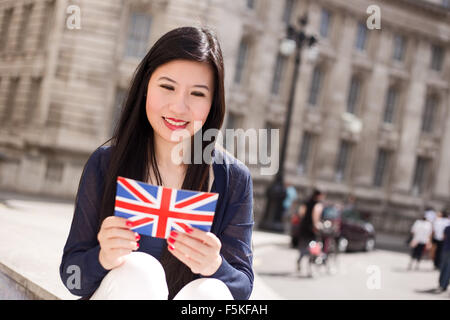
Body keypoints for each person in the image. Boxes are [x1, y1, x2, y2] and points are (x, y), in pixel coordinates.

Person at [59, 27, 254, 300]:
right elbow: (72, 278)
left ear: (212, 104)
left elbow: (243, 289)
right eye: (167, 87)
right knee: (140, 269)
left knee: (211, 292)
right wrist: (102, 258)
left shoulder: (231, 178)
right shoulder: (105, 163)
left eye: (197, 94)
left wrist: (216, 266)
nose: (179, 107)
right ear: (145, 88)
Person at [296, 189, 325, 275]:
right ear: (319, 195)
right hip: (312, 229)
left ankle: (300, 260)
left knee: (303, 245)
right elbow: (316, 214)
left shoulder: (306, 201)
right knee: (314, 247)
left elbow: (301, 212)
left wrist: (304, 220)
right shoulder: (318, 204)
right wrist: (316, 224)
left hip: (303, 227)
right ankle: (311, 267)